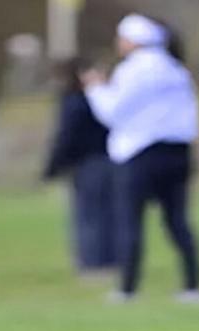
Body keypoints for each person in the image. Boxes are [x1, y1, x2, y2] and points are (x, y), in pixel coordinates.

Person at [83, 15, 199, 304]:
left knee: (129, 221)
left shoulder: (132, 70)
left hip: (138, 153)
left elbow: (111, 112)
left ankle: (127, 288)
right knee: (177, 220)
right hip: (178, 152)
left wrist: (95, 87)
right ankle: (192, 285)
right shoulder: (176, 69)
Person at [44, 58, 117, 278]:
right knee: (108, 214)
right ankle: (110, 261)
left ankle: (92, 263)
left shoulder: (75, 102)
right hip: (112, 161)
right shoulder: (106, 97)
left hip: (87, 164)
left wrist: (53, 166)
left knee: (88, 216)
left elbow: (66, 137)